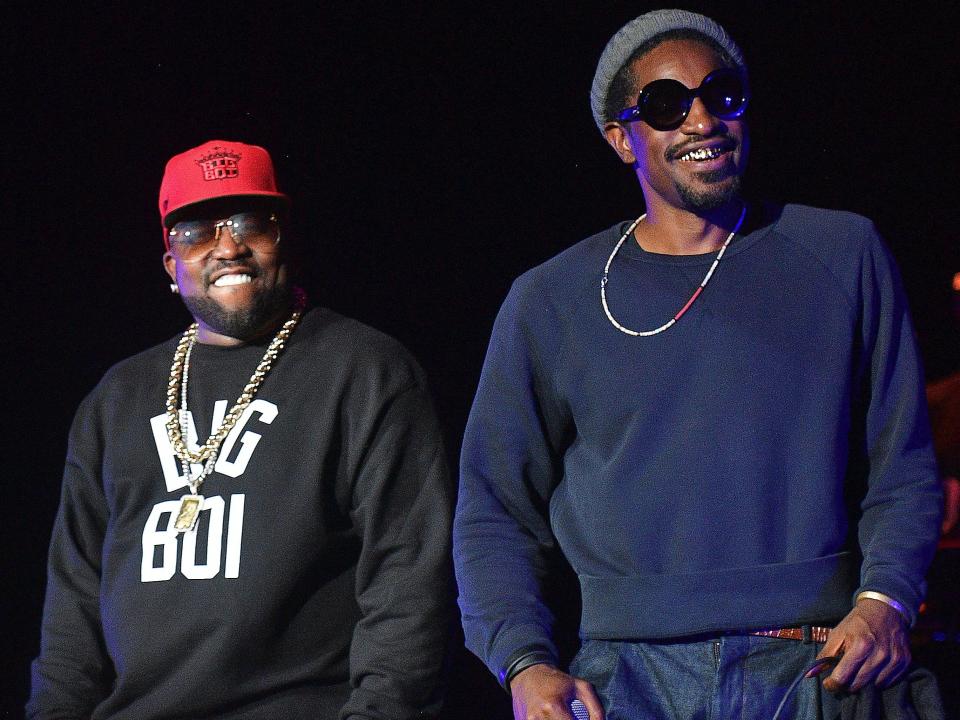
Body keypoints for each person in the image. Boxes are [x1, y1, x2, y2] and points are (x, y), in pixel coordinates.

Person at [453, 9, 944, 720]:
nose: (701, 119)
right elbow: (493, 507)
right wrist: (523, 663)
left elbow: (904, 464)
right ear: (623, 139)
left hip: (818, 659)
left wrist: (886, 600)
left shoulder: (843, 253)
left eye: (722, 95)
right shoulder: (550, 299)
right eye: (665, 104)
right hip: (625, 678)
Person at [28, 140, 452, 719]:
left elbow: (409, 582)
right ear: (170, 267)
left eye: (251, 222)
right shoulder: (115, 399)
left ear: (285, 240)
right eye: (196, 231)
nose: (228, 247)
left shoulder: (364, 370)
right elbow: (73, 602)